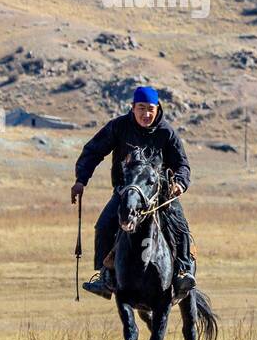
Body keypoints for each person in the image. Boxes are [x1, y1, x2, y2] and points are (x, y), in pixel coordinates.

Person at [71, 85, 195, 299]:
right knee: (103, 225)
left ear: (157, 108)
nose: (146, 114)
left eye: (150, 109)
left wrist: (180, 184)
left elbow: (182, 164)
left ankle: (183, 272)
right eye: (141, 108)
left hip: (160, 196)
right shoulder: (119, 127)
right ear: (132, 107)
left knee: (181, 226)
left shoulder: (167, 132)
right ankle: (105, 277)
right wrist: (81, 179)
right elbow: (94, 151)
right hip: (125, 193)